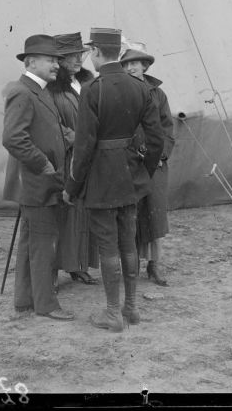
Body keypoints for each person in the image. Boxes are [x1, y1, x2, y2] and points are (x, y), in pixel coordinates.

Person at [64, 27, 164, 332]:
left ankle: (112, 313)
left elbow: (83, 148)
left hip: (101, 178)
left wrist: (72, 187)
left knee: (108, 247)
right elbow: (156, 139)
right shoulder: (141, 88)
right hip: (130, 177)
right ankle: (131, 309)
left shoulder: (93, 90)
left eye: (90, 52)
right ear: (118, 54)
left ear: (97, 52)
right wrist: (143, 171)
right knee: (128, 243)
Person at [2, 34, 75, 321]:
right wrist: (44, 165)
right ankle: (46, 305)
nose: (56, 64)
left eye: (57, 60)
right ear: (31, 62)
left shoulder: (40, 91)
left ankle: (24, 301)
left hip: (42, 182)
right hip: (38, 182)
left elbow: (48, 130)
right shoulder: (23, 91)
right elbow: (13, 138)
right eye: (50, 60)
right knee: (44, 243)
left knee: (31, 242)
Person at [120, 44, 175, 286]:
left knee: (154, 214)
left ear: (145, 66)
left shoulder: (158, 95)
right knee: (128, 215)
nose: (131, 67)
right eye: (126, 63)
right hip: (128, 164)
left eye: (136, 63)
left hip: (153, 165)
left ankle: (154, 265)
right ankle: (129, 266)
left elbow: (167, 129)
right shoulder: (119, 91)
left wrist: (159, 155)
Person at [48, 32, 99, 286]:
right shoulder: (51, 88)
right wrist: (78, 140)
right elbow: (52, 124)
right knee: (66, 212)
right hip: (66, 158)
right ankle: (60, 266)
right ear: (59, 58)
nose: (79, 59)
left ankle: (77, 264)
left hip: (88, 157)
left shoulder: (87, 82)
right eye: (72, 56)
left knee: (83, 212)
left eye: (81, 54)